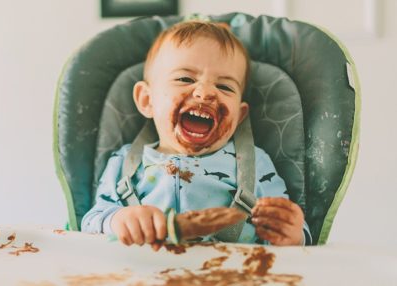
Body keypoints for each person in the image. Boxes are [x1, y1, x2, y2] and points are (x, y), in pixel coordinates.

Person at [81, 21, 311, 250]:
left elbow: (289, 232)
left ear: (239, 116)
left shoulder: (254, 162)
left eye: (225, 87)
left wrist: (293, 234)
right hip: (146, 271)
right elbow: (91, 221)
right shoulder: (125, 162)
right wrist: (118, 220)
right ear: (147, 100)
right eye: (185, 79)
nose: (205, 93)